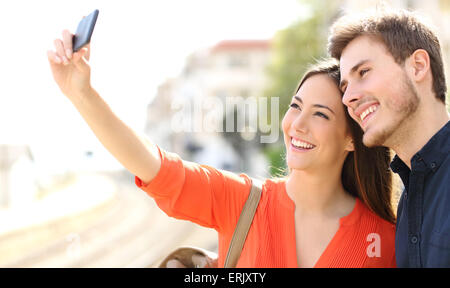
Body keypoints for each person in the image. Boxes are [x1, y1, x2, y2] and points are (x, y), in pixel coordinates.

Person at [47, 29, 396, 267]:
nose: (297, 124)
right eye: (295, 106)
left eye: (320, 114)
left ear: (352, 137)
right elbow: (152, 164)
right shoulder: (243, 201)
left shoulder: (383, 238)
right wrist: (82, 94)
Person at [328, 7, 450, 267]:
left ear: (417, 67)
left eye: (363, 72)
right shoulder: (408, 202)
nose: (347, 98)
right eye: (345, 86)